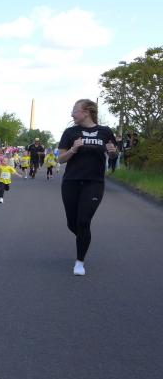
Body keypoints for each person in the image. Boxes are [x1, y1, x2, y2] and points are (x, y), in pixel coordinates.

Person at [57, 98, 117, 276]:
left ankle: (79, 262)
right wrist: (73, 149)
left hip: (94, 183)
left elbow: (113, 155)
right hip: (71, 182)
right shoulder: (70, 132)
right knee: (72, 223)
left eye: (74, 111)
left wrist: (113, 153)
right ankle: (84, 238)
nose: (72, 114)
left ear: (86, 112)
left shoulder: (105, 131)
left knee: (83, 221)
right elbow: (60, 159)